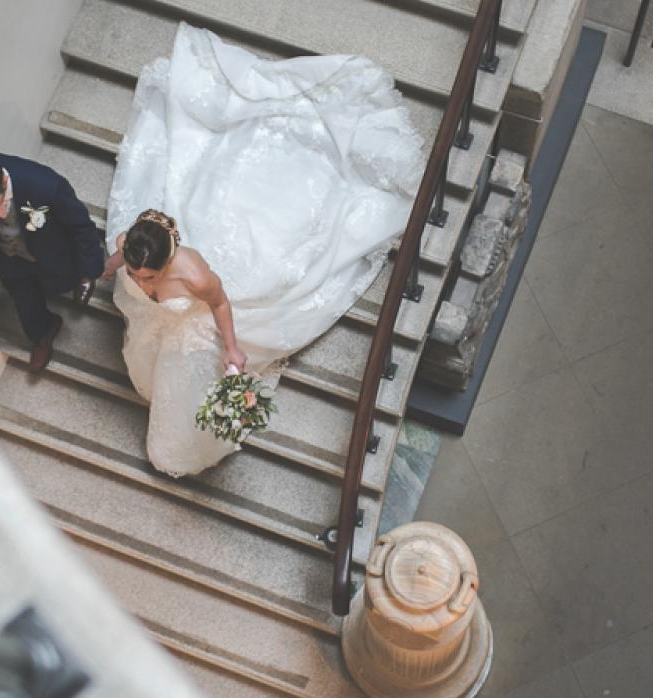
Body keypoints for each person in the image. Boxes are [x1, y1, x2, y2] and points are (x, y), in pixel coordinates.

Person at [103, 24, 423, 477]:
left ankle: (181, 445)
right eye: (137, 275)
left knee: (186, 379)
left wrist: (232, 348)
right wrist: (106, 269)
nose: (140, 282)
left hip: (195, 330)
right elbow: (117, 260)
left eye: (147, 277)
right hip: (166, 324)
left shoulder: (195, 274)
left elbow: (219, 303)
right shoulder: (131, 244)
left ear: (168, 260)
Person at [0, 151, 106, 370]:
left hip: (51, 249)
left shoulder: (46, 185)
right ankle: (42, 334)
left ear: (4, 181)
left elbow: (82, 228)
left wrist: (89, 272)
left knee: (61, 278)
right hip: (7, 255)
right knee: (23, 297)